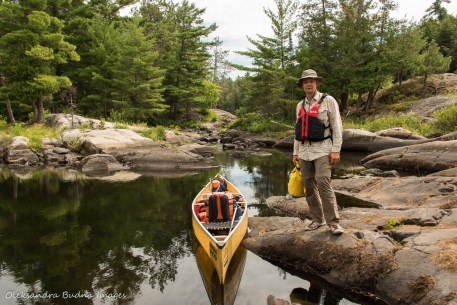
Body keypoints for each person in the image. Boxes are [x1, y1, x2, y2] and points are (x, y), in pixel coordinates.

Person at [293, 69, 344, 235]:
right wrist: (296, 152)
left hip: (323, 149)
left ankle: (334, 222)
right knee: (308, 186)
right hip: (304, 151)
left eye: (312, 81)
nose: (309, 84)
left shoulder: (328, 101)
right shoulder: (300, 105)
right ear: (302, 85)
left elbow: (337, 127)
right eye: (306, 81)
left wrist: (336, 150)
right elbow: (298, 131)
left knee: (323, 182)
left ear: (317, 83)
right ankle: (317, 219)